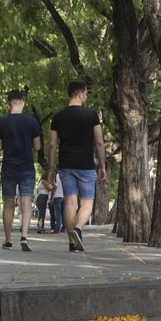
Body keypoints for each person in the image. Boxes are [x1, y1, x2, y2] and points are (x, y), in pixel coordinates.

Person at [45, 79, 106, 251]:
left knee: (70, 203)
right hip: (86, 165)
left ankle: (72, 243)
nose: (86, 97)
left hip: (66, 165)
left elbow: (52, 145)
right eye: (86, 93)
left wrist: (51, 168)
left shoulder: (58, 117)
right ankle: (78, 229)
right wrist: (102, 165)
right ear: (80, 93)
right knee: (87, 204)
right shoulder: (91, 115)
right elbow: (99, 142)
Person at [0, 89, 41, 251]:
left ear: (9, 104)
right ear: (23, 103)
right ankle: (24, 236)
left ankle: (8, 240)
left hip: (8, 167)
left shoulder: (1, 122)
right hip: (27, 167)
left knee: (8, 204)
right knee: (26, 203)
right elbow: (37, 146)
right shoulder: (32, 122)